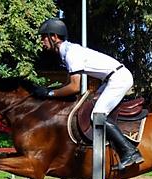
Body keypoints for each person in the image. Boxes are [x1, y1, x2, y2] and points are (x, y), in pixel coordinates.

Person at [34, 18, 144, 169]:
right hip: (110, 79)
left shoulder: (70, 53)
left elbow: (74, 87)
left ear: (54, 37)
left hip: (118, 78)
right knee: (91, 106)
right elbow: (70, 85)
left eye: (43, 37)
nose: (41, 41)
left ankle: (130, 152)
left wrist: (49, 94)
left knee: (97, 115)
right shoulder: (67, 51)